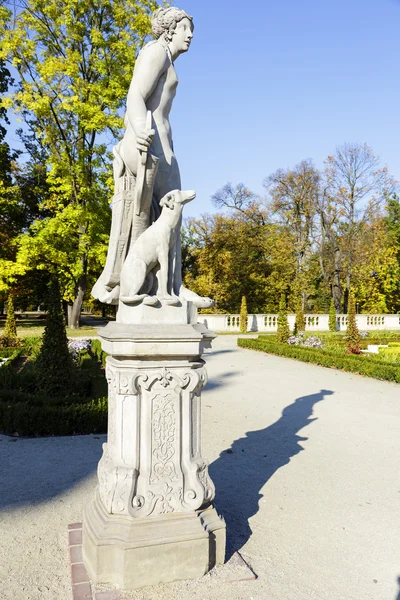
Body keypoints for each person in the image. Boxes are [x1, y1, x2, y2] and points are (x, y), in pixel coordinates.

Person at [95, 6, 211, 307]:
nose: (191, 34)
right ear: (170, 29)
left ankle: (168, 284)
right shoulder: (156, 52)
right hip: (148, 143)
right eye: (186, 28)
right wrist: (139, 128)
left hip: (162, 145)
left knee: (166, 217)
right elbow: (135, 94)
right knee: (162, 214)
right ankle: (166, 285)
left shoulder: (168, 59)